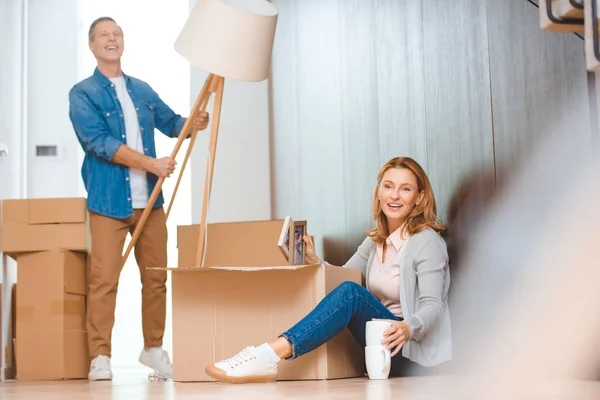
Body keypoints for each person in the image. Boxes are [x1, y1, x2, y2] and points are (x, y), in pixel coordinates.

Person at [205, 157, 452, 383]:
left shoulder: (426, 241)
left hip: (409, 351)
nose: (395, 195)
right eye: (388, 186)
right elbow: (342, 280)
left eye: (405, 189)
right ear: (378, 192)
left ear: (419, 197)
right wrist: (315, 260)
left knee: (352, 294)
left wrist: (408, 327)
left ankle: (266, 355)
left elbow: (434, 305)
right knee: (349, 291)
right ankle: (266, 356)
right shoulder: (376, 241)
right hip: (380, 343)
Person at [68, 16, 209, 381]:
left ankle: (153, 349)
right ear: (92, 45)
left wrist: (194, 121)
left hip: (150, 203)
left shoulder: (142, 90)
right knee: (103, 281)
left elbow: (173, 123)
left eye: (116, 34)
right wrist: (151, 163)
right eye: (103, 35)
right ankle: (99, 356)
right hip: (108, 204)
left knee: (156, 279)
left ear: (123, 42)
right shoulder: (82, 93)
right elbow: (99, 143)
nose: (111, 39)